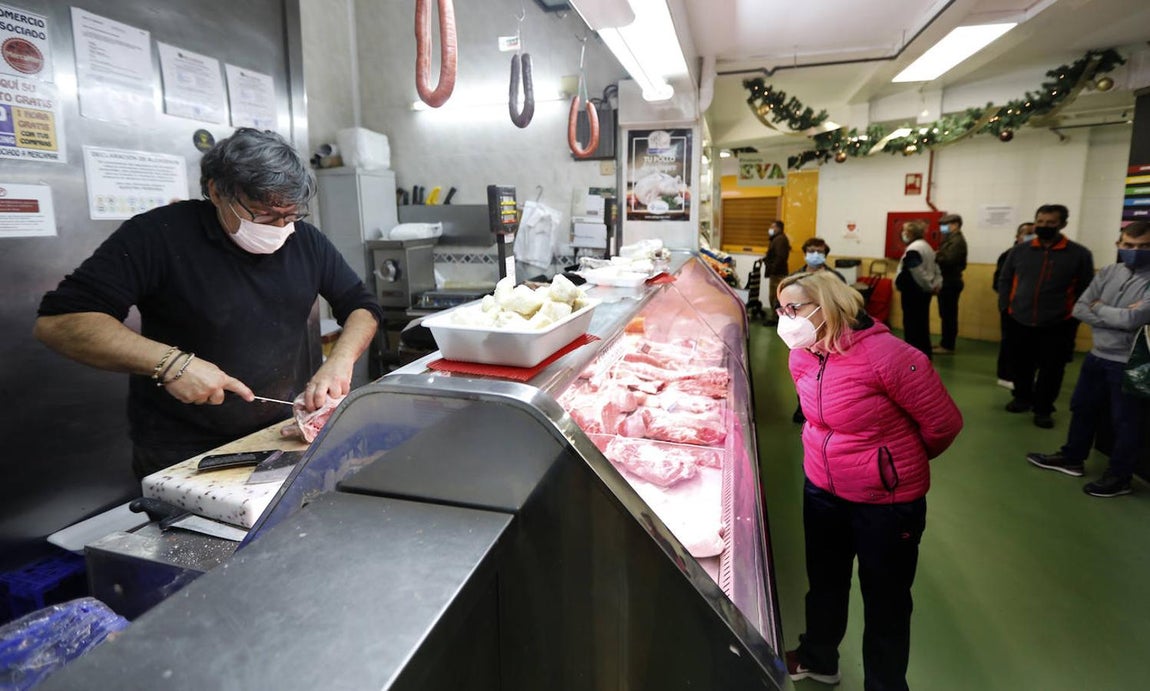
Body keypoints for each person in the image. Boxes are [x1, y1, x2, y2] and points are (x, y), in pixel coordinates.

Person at [35, 128, 384, 479]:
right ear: (217, 192)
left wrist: (340, 360)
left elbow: (361, 306)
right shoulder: (158, 235)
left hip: (278, 433)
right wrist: (171, 364)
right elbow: (62, 321)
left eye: (290, 215)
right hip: (182, 449)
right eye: (263, 215)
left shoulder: (306, 242)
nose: (279, 227)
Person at [775, 271, 963, 691]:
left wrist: (892, 463)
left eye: (796, 308)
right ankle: (818, 657)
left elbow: (944, 423)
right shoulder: (802, 354)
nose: (786, 319)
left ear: (829, 305)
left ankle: (885, 685)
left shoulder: (890, 356)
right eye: (781, 309)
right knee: (824, 584)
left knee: (887, 602)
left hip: (886, 502)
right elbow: (814, 416)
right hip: (822, 489)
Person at [1025, 221, 1150, 497]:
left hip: (1131, 362)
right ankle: (1072, 459)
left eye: (1144, 247)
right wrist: (1114, 315)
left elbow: (1135, 318)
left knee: (1126, 422)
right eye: (1129, 245)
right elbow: (1081, 307)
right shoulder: (1108, 272)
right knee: (1083, 409)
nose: (1135, 251)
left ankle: (1120, 477)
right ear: (1119, 245)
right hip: (1097, 356)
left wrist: (1101, 309)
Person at [997, 204, 1094, 429]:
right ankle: (1021, 398)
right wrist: (1005, 307)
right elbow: (1005, 279)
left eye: (1050, 223)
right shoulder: (1020, 251)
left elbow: (1085, 288)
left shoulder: (1079, 254)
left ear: (1062, 224)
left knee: (1052, 368)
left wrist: (1073, 316)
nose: (1044, 226)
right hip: (1019, 319)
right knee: (1021, 363)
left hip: (1058, 323)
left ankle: (1043, 409)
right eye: (1040, 222)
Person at [993, 222, 1035, 389]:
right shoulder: (1009, 255)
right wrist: (1008, 304)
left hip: (1032, 310)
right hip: (1011, 307)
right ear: (1018, 236)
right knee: (1009, 342)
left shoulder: (1037, 256)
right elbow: (999, 283)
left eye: (1034, 233)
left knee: (1027, 346)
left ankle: (1023, 376)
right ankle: (1005, 375)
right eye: (1027, 233)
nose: (1032, 236)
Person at [894, 220, 941, 359]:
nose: (903, 234)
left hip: (914, 292)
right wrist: (936, 284)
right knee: (921, 324)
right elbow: (936, 268)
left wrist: (928, 286)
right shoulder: (927, 247)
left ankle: (914, 356)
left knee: (912, 325)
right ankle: (924, 353)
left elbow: (918, 272)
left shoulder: (914, 249)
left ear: (911, 233)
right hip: (923, 292)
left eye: (905, 231)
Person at [934, 213, 968, 354]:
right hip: (947, 281)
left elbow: (948, 260)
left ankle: (948, 345)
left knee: (949, 315)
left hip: (951, 281)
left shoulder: (957, 241)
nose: (942, 228)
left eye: (945, 225)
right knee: (946, 314)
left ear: (954, 225)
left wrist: (935, 256)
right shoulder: (950, 239)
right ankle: (945, 342)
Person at [763, 219, 791, 324]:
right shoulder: (778, 239)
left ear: (778, 228)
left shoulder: (780, 240)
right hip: (777, 271)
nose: (770, 229)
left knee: (775, 296)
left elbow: (780, 257)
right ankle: (775, 317)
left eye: (772, 227)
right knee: (775, 296)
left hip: (778, 273)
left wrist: (772, 268)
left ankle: (775, 318)